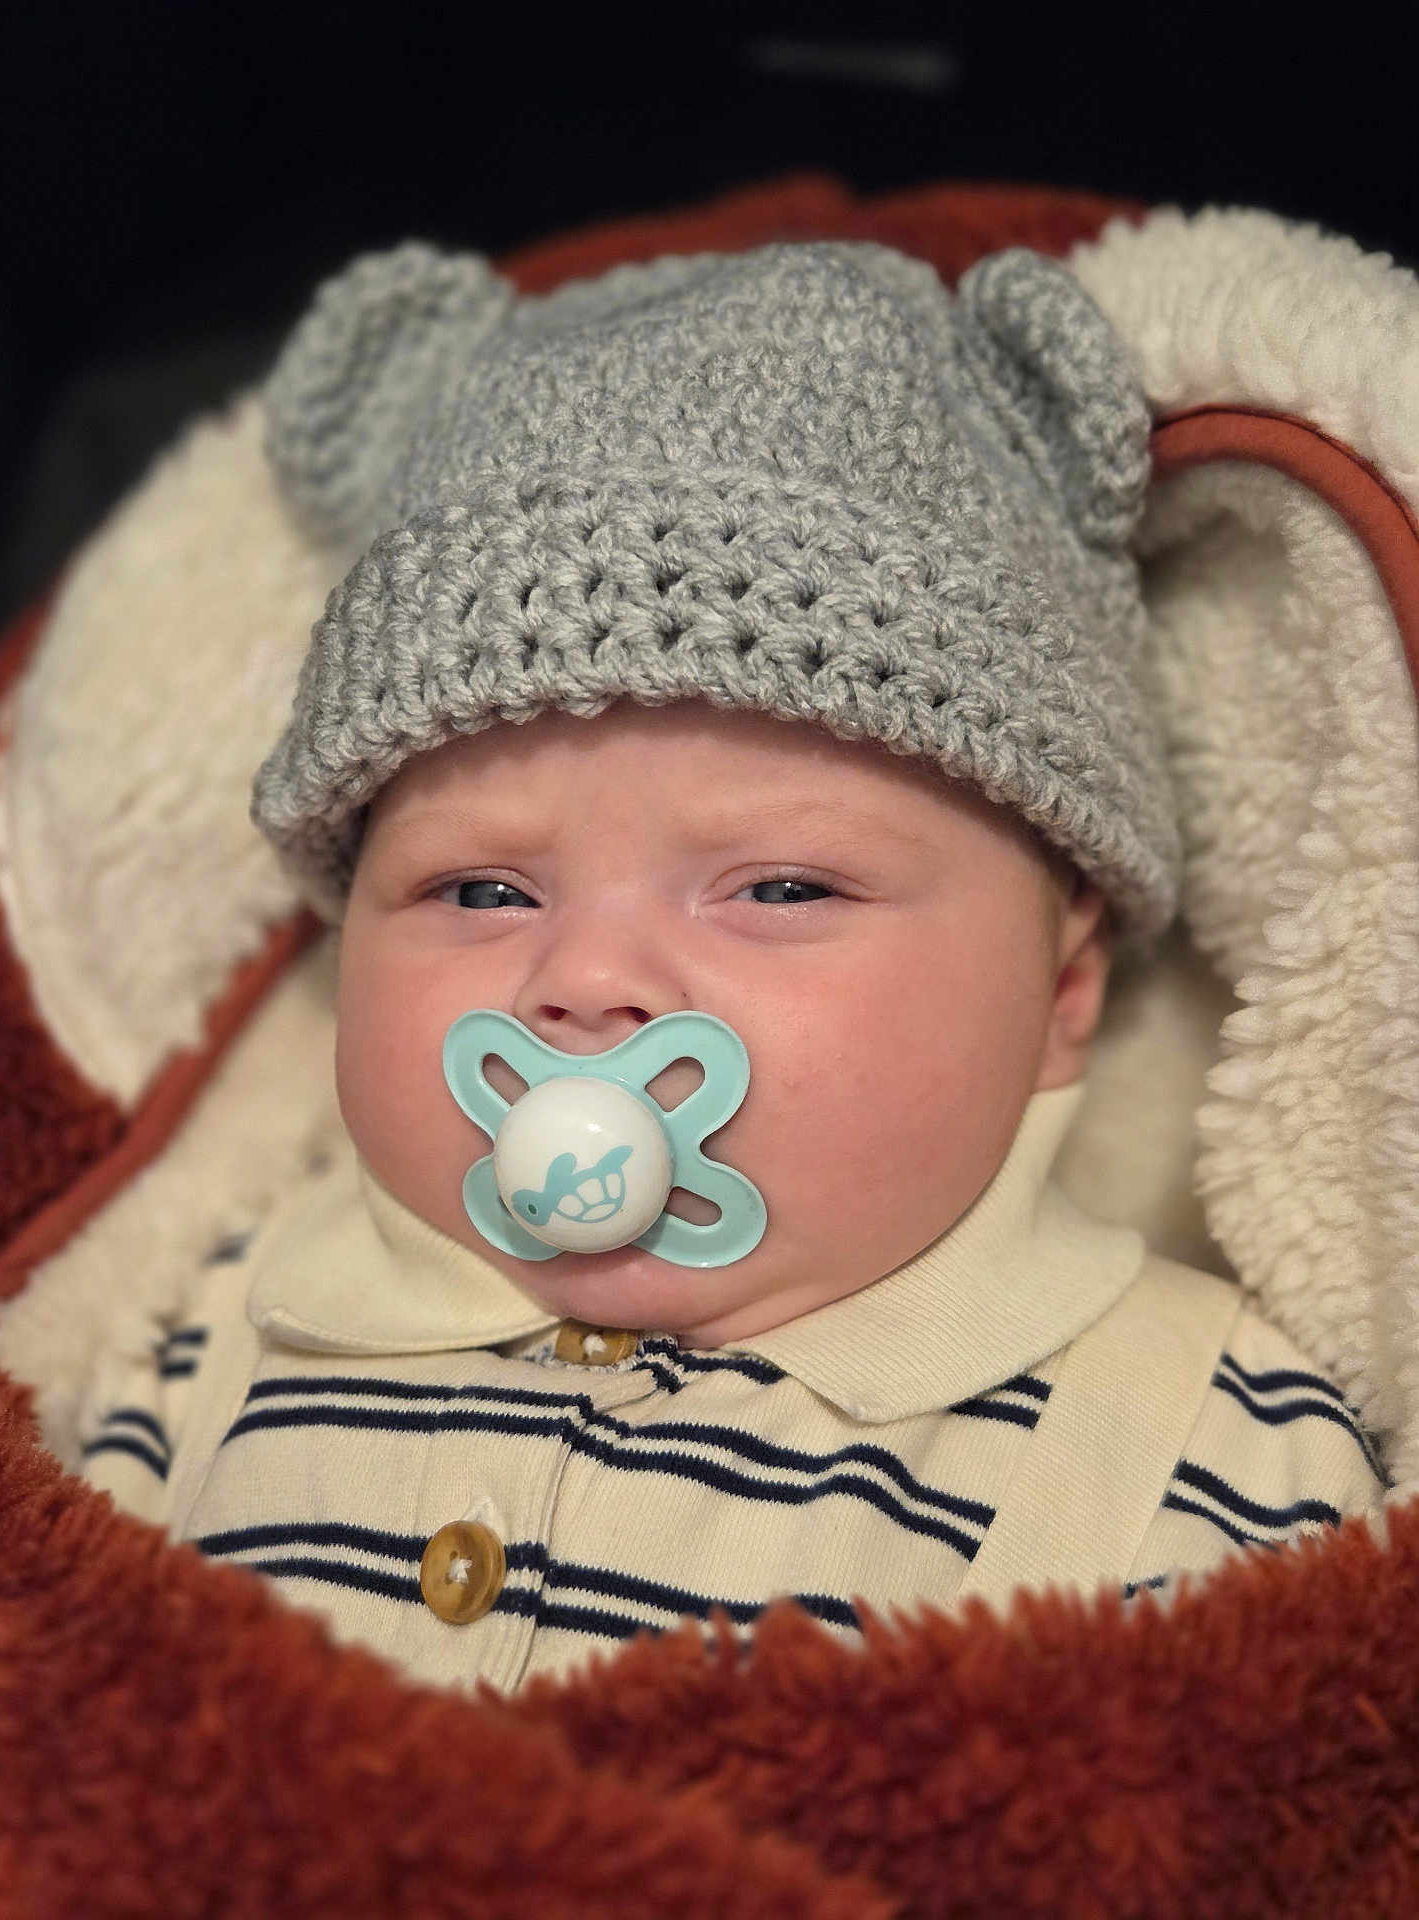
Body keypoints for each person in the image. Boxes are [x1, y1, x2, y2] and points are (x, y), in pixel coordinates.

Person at [78, 238, 1385, 1691]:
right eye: (483, 886)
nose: (590, 978)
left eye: (777, 885)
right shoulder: (220, 1348)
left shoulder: (1218, 1457)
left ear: (1061, 994)